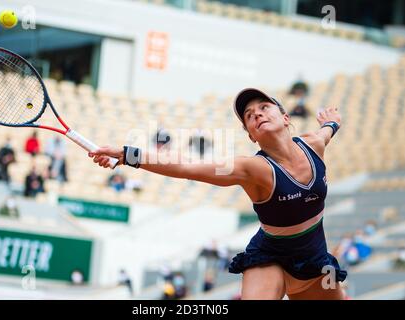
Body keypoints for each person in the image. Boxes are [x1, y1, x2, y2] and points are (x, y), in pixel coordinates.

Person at [88, 88, 346, 300]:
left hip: (314, 259)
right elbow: (186, 165)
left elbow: (328, 129)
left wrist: (332, 121)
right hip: (271, 258)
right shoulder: (251, 168)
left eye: (264, 107)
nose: (256, 114)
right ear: (251, 135)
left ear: (286, 117)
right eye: (249, 115)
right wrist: (127, 155)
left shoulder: (314, 143)